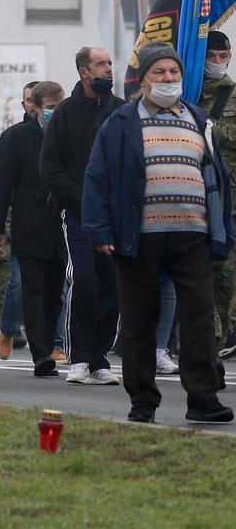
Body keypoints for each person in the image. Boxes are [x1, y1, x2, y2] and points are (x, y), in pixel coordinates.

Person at [84, 41, 235, 424]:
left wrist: (223, 232)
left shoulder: (200, 120)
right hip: (139, 238)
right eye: (160, 72)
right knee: (139, 321)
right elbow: (97, 177)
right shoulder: (120, 122)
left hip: (193, 238)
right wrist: (100, 230)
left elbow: (219, 179)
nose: (169, 79)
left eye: (174, 72)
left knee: (199, 318)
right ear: (145, 79)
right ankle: (143, 401)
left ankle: (202, 398)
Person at [41, 45, 125, 386]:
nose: (108, 69)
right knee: (84, 280)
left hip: (115, 217)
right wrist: (83, 199)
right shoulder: (65, 113)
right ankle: (77, 356)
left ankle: (99, 357)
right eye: (100, 64)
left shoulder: (123, 112)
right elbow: (50, 167)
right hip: (75, 215)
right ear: (83, 72)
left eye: (109, 63)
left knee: (112, 286)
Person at [0, 80, 66, 376]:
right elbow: (3, 184)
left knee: (55, 290)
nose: (54, 113)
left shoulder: (66, 134)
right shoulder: (16, 137)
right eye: (49, 108)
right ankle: (40, 353)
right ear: (35, 107)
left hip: (60, 223)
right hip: (29, 222)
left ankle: (49, 342)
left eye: (59, 107)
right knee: (31, 288)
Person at [197, 30, 236, 370]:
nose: (218, 62)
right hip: (188, 202)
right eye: (213, 55)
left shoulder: (232, 94)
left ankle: (214, 348)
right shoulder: (183, 92)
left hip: (227, 205)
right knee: (193, 278)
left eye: (224, 57)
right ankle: (197, 347)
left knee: (224, 282)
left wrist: (206, 126)